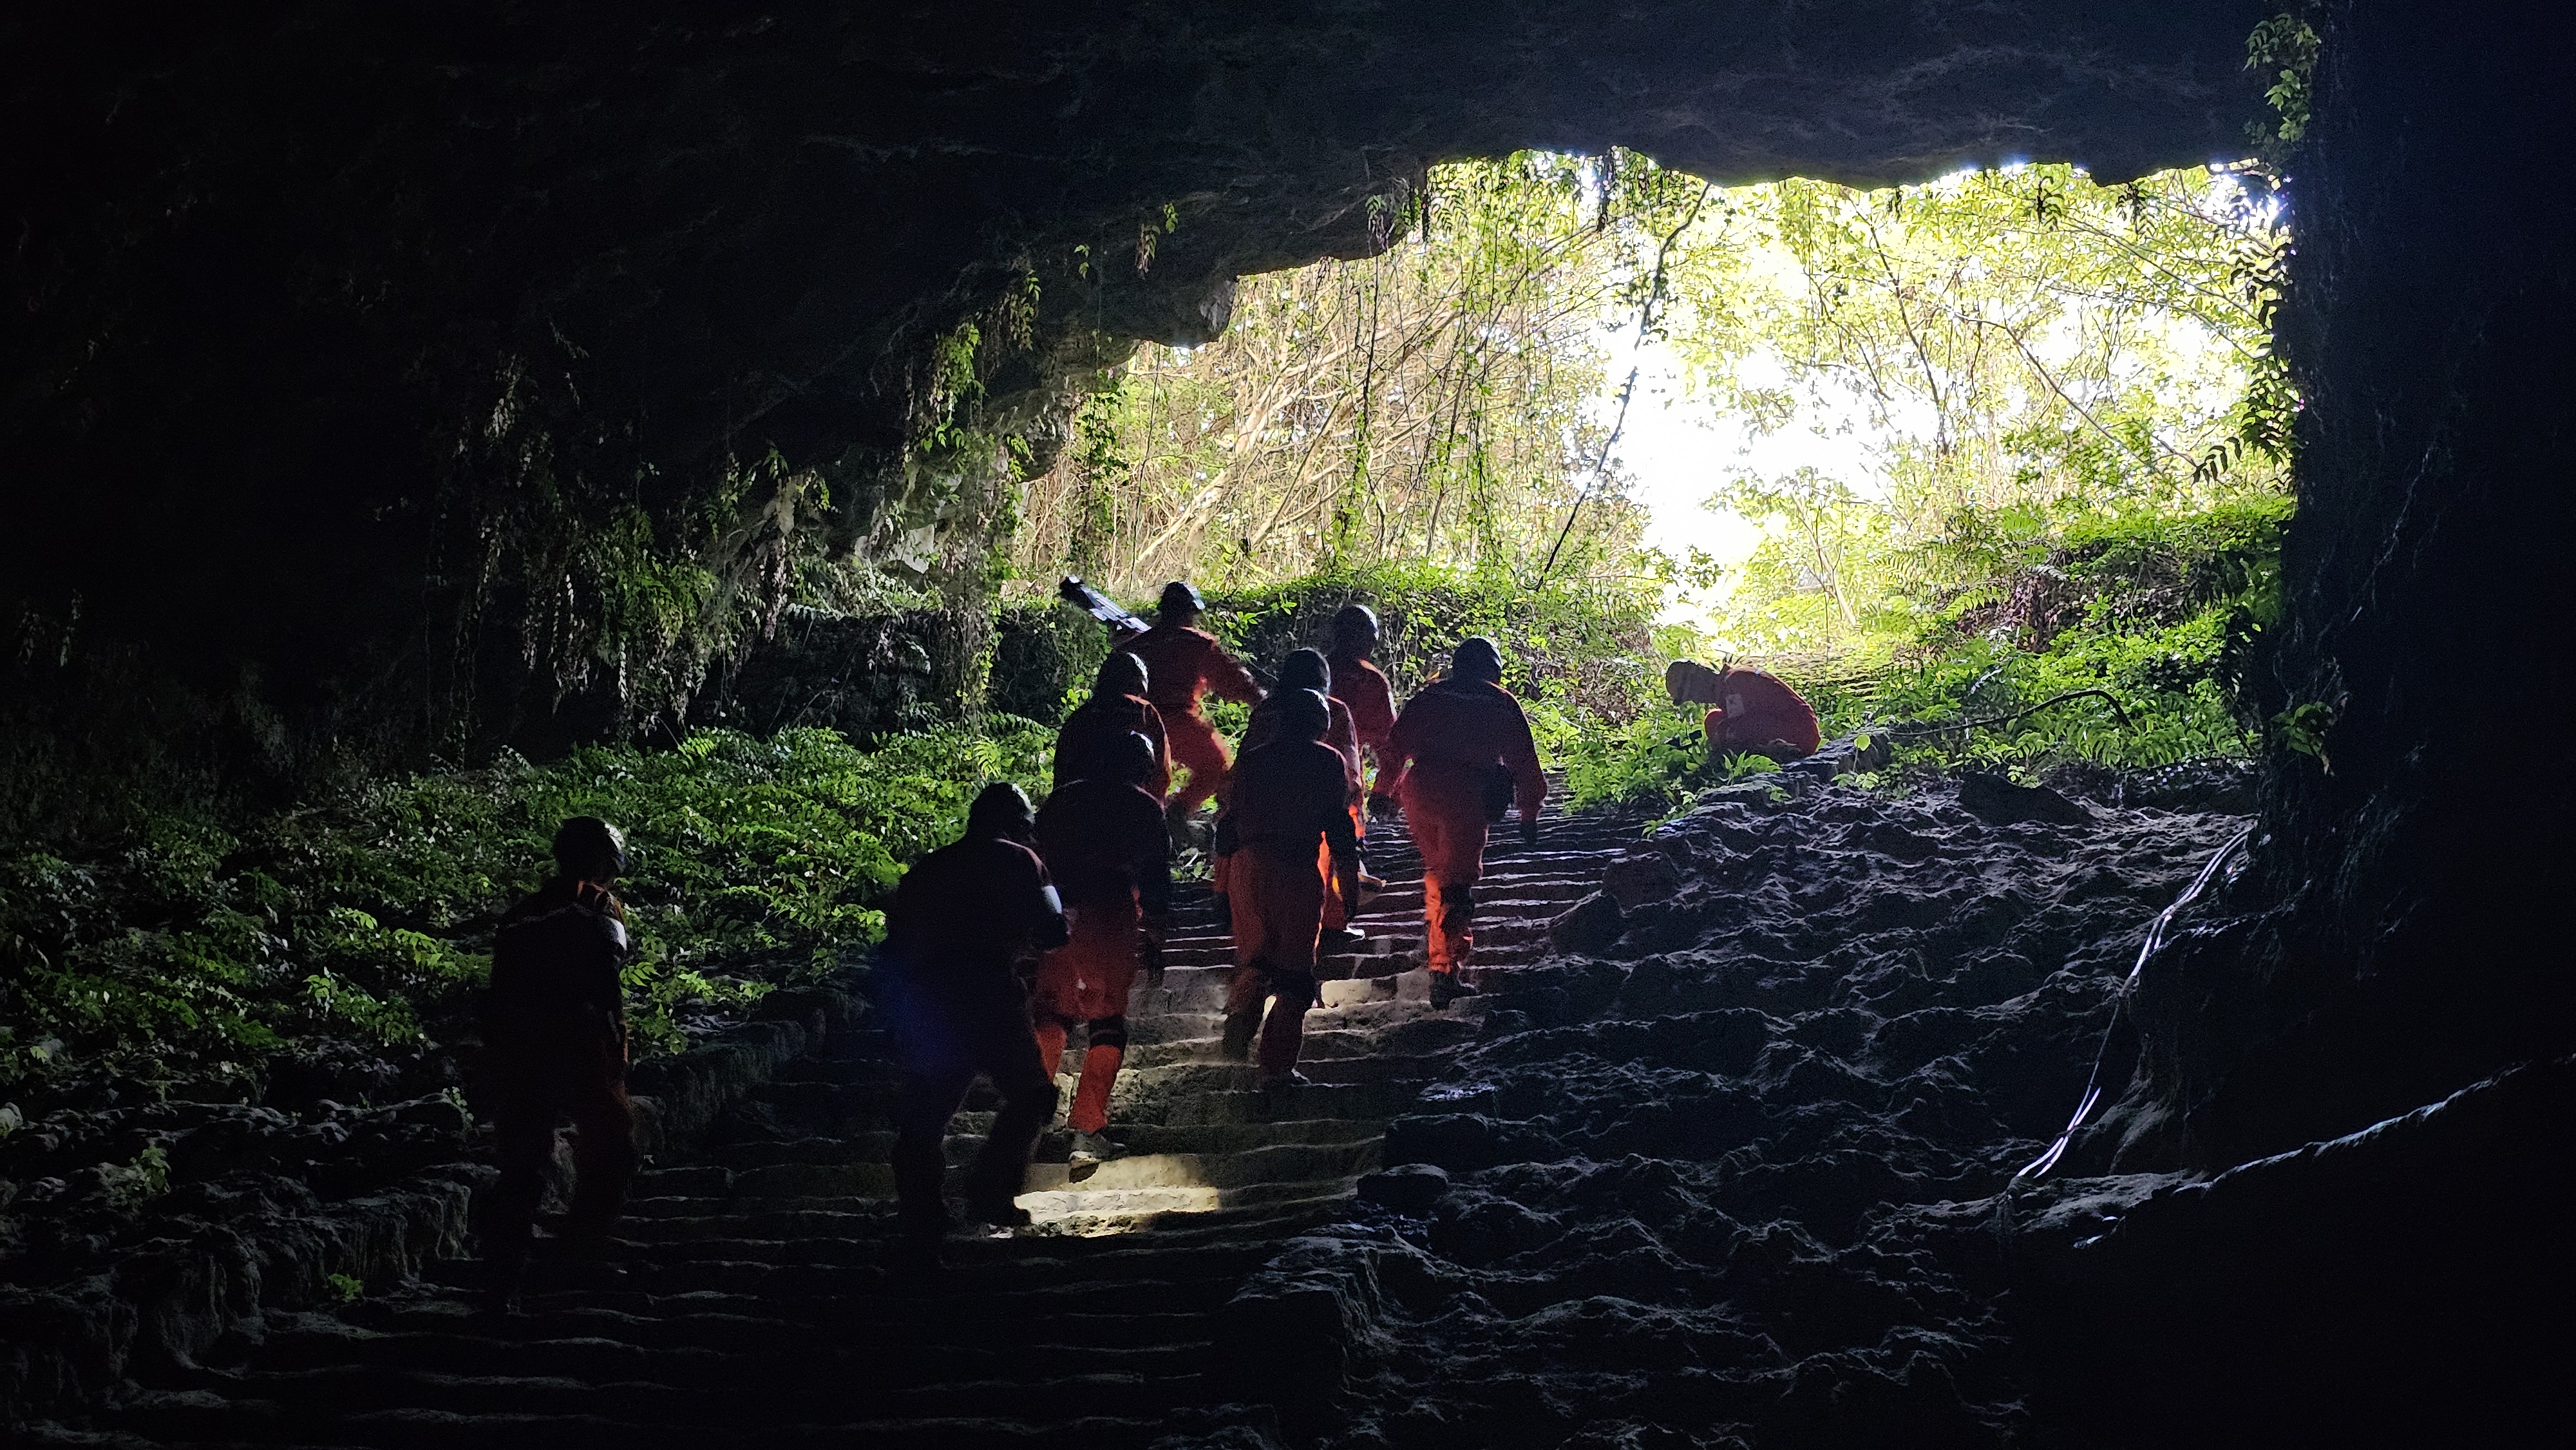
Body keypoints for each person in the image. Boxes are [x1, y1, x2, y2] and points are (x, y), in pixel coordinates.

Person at [878, 784, 1069, 1252]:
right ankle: (989, 1194)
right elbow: (1053, 930)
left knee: (927, 1108)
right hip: (988, 989)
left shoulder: (928, 868)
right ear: (1016, 824)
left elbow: (895, 943)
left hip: (928, 996)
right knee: (1033, 1097)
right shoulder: (1020, 861)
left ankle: (921, 1209)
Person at [481, 816, 639, 1312]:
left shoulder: (520, 914)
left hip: (522, 1048)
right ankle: (578, 1254)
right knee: (613, 1146)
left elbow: (499, 988)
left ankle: (502, 1280)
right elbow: (607, 971)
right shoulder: (596, 904)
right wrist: (615, 1039)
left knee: (522, 1163)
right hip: (580, 1044)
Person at [1369, 638, 1546, 1006]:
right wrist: (1529, 812)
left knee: (1438, 873)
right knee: (1458, 884)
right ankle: (1447, 971)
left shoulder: (1428, 698)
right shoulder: (1500, 701)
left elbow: (1394, 747)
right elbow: (1524, 763)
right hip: (1467, 792)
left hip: (1420, 790)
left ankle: (1440, 963)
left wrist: (1384, 791)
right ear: (1493, 669)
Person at [1031, 733, 1171, 1163]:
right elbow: (1156, 881)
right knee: (1107, 1023)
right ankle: (1086, 1130)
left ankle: (1024, 1124)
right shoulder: (1144, 808)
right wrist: (1157, 936)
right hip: (1109, 916)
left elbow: (1031, 860)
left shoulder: (1060, 802)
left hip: (1056, 915)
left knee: (1051, 1016)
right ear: (1142, 769)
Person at [1217, 690, 1361, 1093]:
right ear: (1322, 724)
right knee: (1296, 977)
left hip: (1247, 869)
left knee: (1257, 958)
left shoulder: (1252, 761)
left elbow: (1227, 827)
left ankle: (1237, 1032)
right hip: (1296, 869)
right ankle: (1275, 1071)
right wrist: (1347, 886)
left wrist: (1220, 884)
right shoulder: (1327, 761)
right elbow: (1339, 829)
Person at [1238, 648, 1365, 943]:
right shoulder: (1332, 710)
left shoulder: (1267, 710)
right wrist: (1353, 823)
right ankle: (1332, 922)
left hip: (1264, 813)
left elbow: (1244, 760)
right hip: (1316, 804)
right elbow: (1350, 769)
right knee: (1325, 854)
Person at [1124, 581, 1264, 822]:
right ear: (1189, 612)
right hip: (1178, 721)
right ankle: (1178, 814)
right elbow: (1233, 680)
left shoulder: (1138, 644)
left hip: (1138, 722)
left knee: (1145, 777)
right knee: (1216, 766)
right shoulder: (1197, 644)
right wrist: (1260, 700)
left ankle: (1151, 817)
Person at [1054, 651, 1171, 800]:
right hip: (1128, 805)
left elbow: (1062, 769)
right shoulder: (1143, 711)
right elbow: (1162, 772)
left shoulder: (1082, 715)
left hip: (1077, 804)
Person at [1667, 659, 1821, 761]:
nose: (1696, 700)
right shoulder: (1731, 683)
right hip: (1795, 727)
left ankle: (1784, 755)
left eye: (1692, 693)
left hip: (1801, 732)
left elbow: (1743, 728)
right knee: (1714, 721)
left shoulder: (1734, 683)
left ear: (1699, 679)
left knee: (1726, 730)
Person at [1324, 603, 1397, 767]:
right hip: (1345, 773)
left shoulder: (1310, 669)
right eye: (1371, 641)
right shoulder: (1371, 680)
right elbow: (1389, 745)